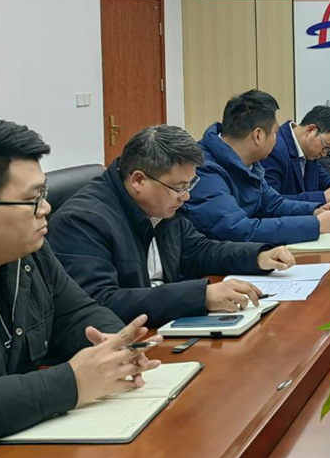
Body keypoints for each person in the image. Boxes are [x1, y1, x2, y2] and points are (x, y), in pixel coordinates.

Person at [0, 120, 160, 439]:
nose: (46, 208)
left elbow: (78, 312)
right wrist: (72, 382)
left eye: (44, 194)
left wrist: (114, 346)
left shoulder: (32, 253)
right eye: (32, 200)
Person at [49, 125, 296, 325]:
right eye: (179, 188)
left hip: (163, 324)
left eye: (189, 185)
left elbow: (198, 250)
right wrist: (200, 296)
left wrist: (257, 256)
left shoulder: (160, 206)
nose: (186, 196)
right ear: (138, 180)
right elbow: (99, 303)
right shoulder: (82, 221)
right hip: (123, 343)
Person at [182, 90, 330, 245]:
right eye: (275, 132)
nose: (278, 138)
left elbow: (273, 204)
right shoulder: (205, 169)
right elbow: (237, 229)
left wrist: (315, 211)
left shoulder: (251, 164)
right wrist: (315, 225)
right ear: (258, 135)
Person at [261, 105, 330, 205]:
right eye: (326, 147)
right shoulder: (274, 149)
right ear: (310, 130)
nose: (324, 154)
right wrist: (321, 197)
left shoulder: (309, 151)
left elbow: (324, 182)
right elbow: (271, 202)